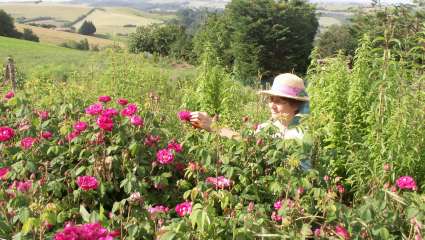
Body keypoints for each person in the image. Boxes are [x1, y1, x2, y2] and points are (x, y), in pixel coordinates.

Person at [190, 73, 309, 140]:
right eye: (271, 100)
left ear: (295, 105)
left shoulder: (300, 136)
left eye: (279, 101)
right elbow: (244, 140)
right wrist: (211, 125)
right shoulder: (268, 127)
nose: (272, 105)